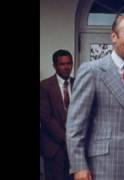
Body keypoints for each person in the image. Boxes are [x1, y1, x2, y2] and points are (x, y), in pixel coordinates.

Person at [66, 15, 124, 180]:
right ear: (114, 36)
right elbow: (74, 125)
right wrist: (79, 166)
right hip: (104, 164)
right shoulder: (92, 71)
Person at [40, 49, 74, 180]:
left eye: (69, 63)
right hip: (54, 148)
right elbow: (46, 118)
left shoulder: (78, 84)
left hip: (74, 148)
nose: (67, 67)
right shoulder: (44, 86)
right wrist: (67, 139)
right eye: (62, 64)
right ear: (55, 66)